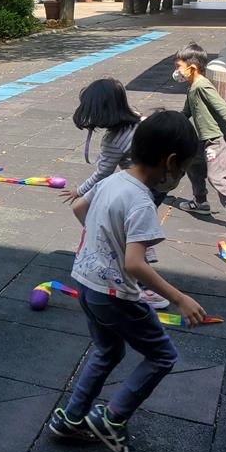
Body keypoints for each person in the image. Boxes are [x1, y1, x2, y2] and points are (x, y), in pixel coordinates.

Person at [47, 110, 206, 452]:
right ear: (170, 163)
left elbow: (79, 207)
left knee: (108, 351)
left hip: (87, 284)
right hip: (116, 296)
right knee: (162, 356)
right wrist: (179, 298)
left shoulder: (113, 180)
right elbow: (135, 264)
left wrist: (103, 239)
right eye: (182, 171)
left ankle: (72, 419)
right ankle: (112, 417)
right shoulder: (142, 201)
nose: (179, 177)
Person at [62, 77, 168, 309]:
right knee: (132, 232)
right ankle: (129, 262)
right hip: (158, 182)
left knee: (127, 235)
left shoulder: (114, 139)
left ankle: (144, 288)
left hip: (139, 189)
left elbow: (103, 173)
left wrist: (79, 190)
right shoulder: (138, 119)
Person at [172, 42, 226, 233]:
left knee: (216, 177)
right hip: (202, 139)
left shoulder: (202, 86)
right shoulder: (192, 87)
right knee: (194, 166)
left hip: (216, 140)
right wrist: (169, 123)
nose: (176, 72)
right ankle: (200, 202)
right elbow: (186, 112)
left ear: (192, 68)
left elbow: (223, 107)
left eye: (178, 67)